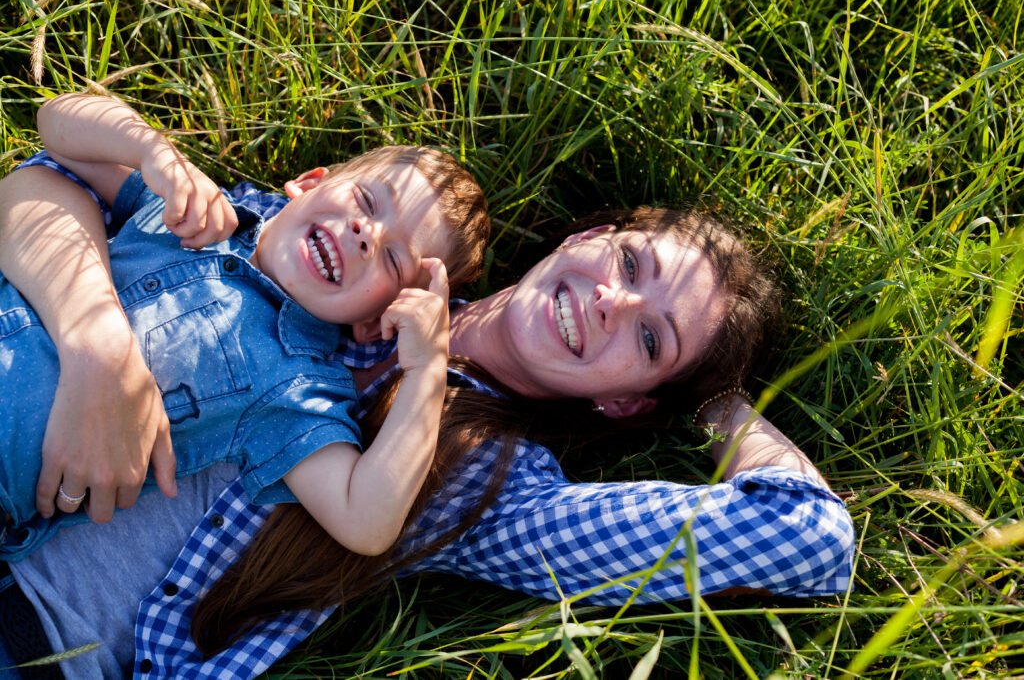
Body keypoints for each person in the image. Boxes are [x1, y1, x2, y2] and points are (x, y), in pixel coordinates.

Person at [0, 146, 854, 678]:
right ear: (585, 237)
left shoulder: (494, 486)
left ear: (625, 398)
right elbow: (49, 179)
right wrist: (94, 342)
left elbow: (805, 538)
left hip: (33, 632)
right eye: (628, 262)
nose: (610, 301)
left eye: (652, 339)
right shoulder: (343, 236)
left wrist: (713, 403)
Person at [0, 93, 491, 563]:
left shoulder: (295, 386)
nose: (367, 233)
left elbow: (367, 522)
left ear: (374, 323)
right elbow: (57, 126)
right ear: (309, 181)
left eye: (392, 258)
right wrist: (150, 149)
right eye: (366, 200)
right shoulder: (190, 210)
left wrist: (427, 366)